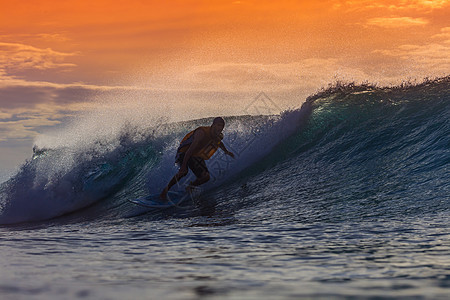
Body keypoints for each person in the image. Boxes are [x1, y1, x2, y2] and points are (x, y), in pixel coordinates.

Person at [159, 117, 234, 201]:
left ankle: (190, 187)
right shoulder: (201, 132)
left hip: (195, 155)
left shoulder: (217, 135)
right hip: (184, 151)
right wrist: (183, 166)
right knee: (184, 172)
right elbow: (190, 150)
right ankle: (165, 190)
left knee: (205, 177)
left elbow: (219, 142)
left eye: (222, 126)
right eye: (218, 125)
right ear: (213, 125)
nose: (220, 128)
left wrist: (226, 151)